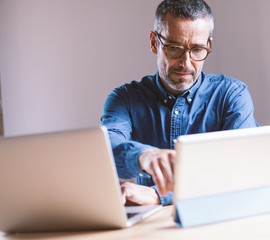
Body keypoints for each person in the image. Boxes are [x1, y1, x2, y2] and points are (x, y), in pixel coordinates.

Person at [101, 0, 258, 206]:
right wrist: (144, 156)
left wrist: (158, 195)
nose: (186, 62)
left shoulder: (232, 95)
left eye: (197, 49)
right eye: (174, 48)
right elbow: (108, 152)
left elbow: (240, 170)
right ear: (154, 42)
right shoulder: (124, 99)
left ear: (208, 45)